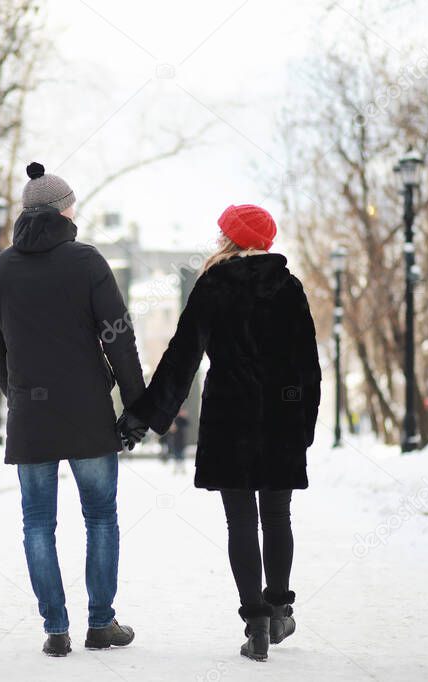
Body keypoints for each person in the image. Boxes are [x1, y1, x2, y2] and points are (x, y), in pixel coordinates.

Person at [118, 204, 321, 662]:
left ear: (230, 239)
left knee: (240, 521)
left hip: (230, 415)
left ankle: (256, 622)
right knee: (278, 516)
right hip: (280, 418)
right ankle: (280, 606)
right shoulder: (289, 288)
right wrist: (303, 424)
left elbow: (183, 356)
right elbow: (309, 365)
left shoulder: (213, 285)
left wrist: (146, 415)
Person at [0, 162, 144, 657]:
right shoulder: (88, 263)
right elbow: (119, 337)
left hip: (31, 415)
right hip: (88, 413)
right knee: (100, 517)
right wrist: (136, 406)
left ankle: (55, 628)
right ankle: (100, 623)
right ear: (64, 210)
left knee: (36, 523)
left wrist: (22, 397)